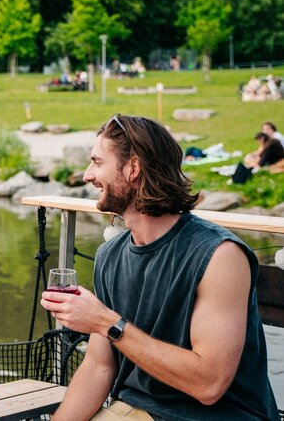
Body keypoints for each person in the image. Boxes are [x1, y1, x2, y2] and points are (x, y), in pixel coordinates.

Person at [41, 114, 278, 420]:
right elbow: (100, 366)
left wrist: (106, 323)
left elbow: (209, 384)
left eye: (98, 162)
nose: (88, 175)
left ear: (134, 168)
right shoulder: (109, 256)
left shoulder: (219, 256)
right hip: (136, 410)